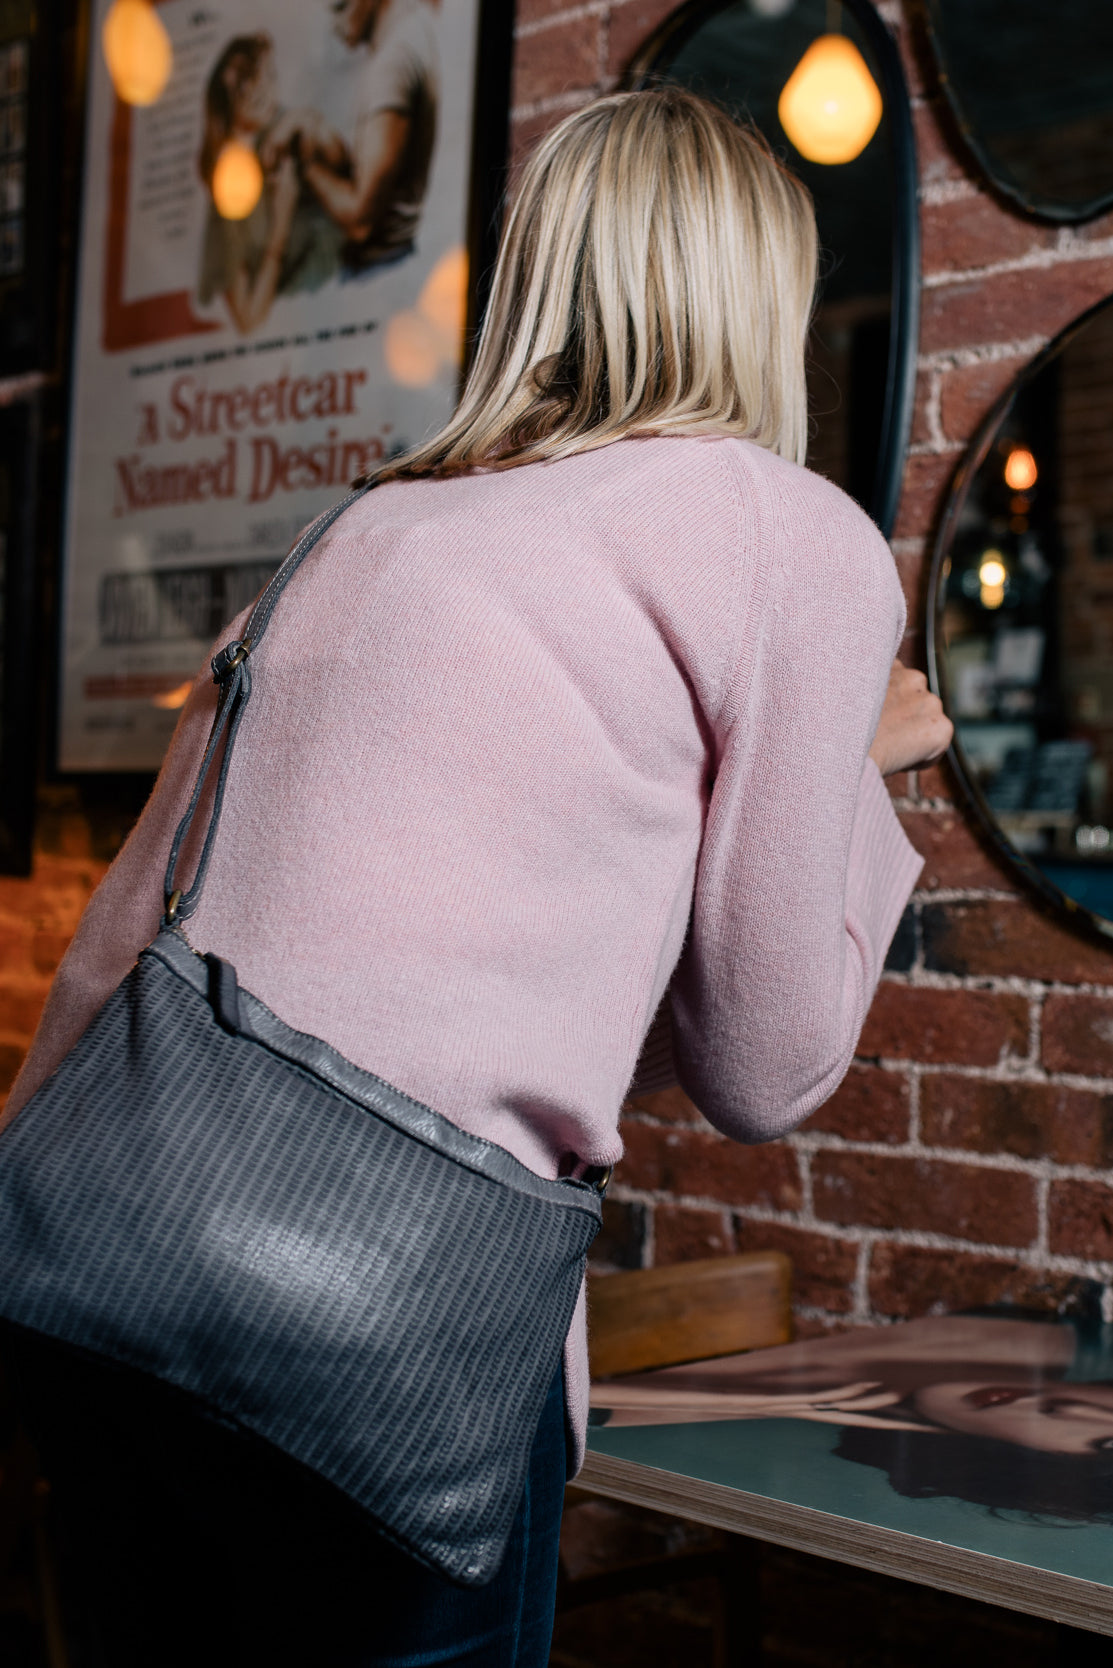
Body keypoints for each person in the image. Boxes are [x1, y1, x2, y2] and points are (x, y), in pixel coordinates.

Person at [4, 87, 950, 1666]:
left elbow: (124, 934)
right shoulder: (783, 535)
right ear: (760, 295)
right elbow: (767, 1069)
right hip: (383, 1356)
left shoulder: (360, 530)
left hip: (100, 1289)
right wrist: (854, 774)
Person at [590, 1310, 1113, 1525]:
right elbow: (581, 1411)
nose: (1069, 1410)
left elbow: (590, 1412)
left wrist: (793, 1405)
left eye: (1103, 1447)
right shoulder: (1037, 1343)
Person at [262, 0, 439, 276]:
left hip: (380, 267)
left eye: (340, 8)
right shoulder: (408, 34)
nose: (335, 25)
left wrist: (304, 167)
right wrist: (306, 124)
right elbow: (366, 170)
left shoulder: (391, 64)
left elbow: (360, 220)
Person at [197, 34, 343, 334]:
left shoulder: (285, 131)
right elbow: (249, 320)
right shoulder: (229, 197)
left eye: (270, 76)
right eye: (248, 82)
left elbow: (346, 165)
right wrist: (281, 222)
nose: (264, 89)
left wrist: (303, 119)